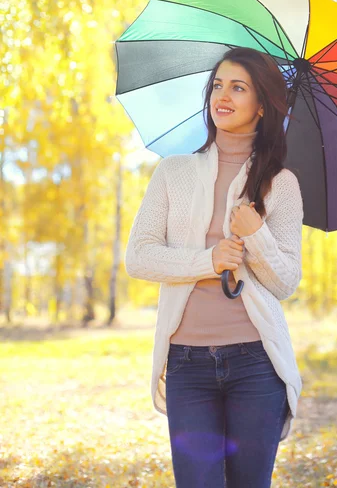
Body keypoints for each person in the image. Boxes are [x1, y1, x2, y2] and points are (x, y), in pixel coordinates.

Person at [125, 46, 304, 488]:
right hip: (187, 365)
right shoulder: (173, 172)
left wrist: (255, 234)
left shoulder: (281, 184)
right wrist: (209, 260)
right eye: (218, 85)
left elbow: (285, 282)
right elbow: (139, 256)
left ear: (262, 105)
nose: (222, 95)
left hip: (256, 363)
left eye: (238, 87)